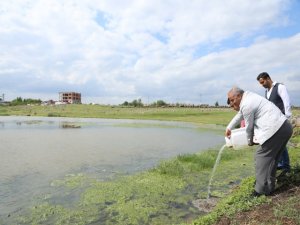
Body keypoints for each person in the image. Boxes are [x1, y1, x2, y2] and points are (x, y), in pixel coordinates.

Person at [225, 87, 293, 196]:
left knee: (260, 156)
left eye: (232, 100)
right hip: (284, 127)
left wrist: (249, 142)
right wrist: (229, 127)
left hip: (276, 129)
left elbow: (249, 127)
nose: (232, 103)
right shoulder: (248, 98)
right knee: (272, 159)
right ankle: (268, 187)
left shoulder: (247, 103)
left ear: (238, 96)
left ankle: (259, 191)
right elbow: (240, 114)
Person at [256, 72, 292, 173]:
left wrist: (286, 118)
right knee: (279, 144)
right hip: (273, 122)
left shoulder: (280, 87)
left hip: (282, 121)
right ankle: (282, 164)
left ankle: (285, 166)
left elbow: (287, 103)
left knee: (281, 143)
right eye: (260, 83)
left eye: (262, 82)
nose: (262, 85)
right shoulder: (267, 92)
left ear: (268, 78)